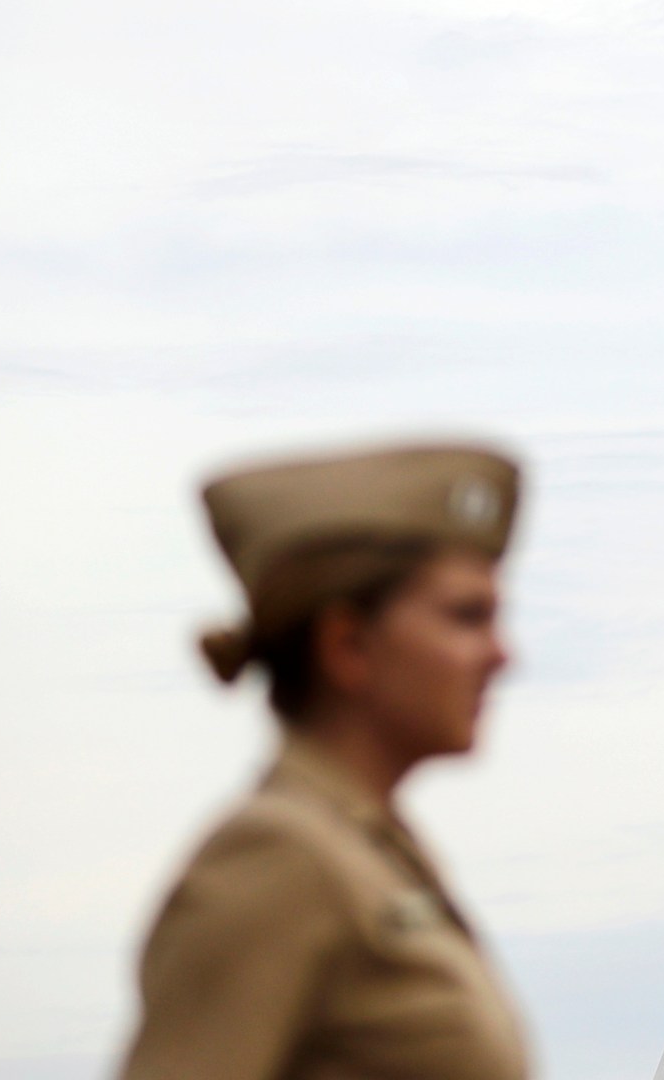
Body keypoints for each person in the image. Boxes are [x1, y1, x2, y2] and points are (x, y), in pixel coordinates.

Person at [119, 441, 531, 1080]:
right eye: (465, 616)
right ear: (347, 645)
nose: (502, 656)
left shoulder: (366, 854)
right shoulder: (280, 859)